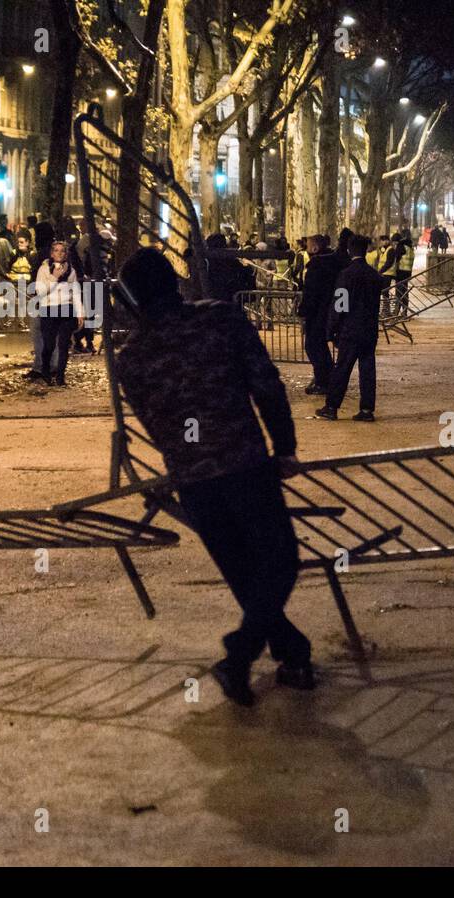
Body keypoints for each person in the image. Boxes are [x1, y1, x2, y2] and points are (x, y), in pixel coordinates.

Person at [113, 248, 315, 705]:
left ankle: (290, 653)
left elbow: (154, 422)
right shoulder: (220, 319)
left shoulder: (131, 359)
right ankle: (244, 652)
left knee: (244, 572)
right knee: (280, 561)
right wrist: (283, 445)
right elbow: (265, 384)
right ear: (175, 281)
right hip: (244, 463)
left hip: (195, 479)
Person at [315, 234, 388, 423]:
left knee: (342, 369)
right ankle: (366, 409)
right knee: (368, 370)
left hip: (350, 330)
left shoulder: (346, 275)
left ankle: (332, 407)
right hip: (369, 330)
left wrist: (331, 329)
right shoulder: (374, 276)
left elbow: (340, 305)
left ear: (349, 250)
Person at [33, 240, 85, 386]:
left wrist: (80, 312)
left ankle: (61, 376)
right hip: (49, 309)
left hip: (66, 310)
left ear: (66, 254)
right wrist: (54, 278)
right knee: (49, 345)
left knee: (63, 345)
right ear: (51, 253)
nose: (59, 253)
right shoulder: (43, 269)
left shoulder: (71, 271)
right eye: (56, 250)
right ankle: (45, 371)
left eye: (62, 251)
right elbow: (40, 291)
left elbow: (75, 293)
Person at [297, 234, 337, 396]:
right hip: (328, 311)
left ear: (315, 248)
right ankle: (328, 378)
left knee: (313, 346)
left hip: (317, 314)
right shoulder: (332, 262)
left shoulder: (316, 265)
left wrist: (303, 311)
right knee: (319, 347)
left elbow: (310, 293)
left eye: (308, 246)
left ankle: (323, 381)